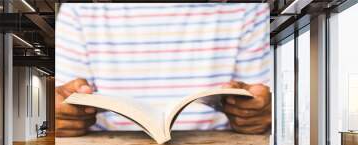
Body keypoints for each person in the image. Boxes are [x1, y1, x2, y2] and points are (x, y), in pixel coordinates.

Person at [55, 3, 271, 137]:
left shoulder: (248, 11)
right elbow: (65, 107)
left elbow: (257, 109)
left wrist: (254, 114)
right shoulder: (77, 12)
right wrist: (67, 115)